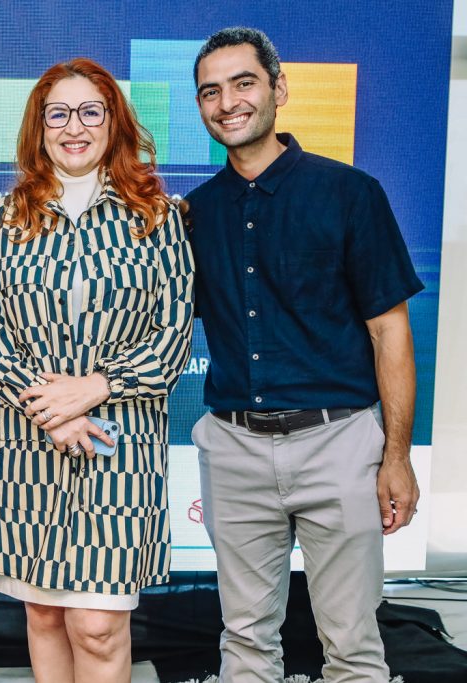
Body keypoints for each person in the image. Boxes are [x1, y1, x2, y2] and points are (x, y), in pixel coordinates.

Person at [186, 27, 423, 682]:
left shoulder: (350, 193)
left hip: (338, 445)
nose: (228, 102)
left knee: (352, 645)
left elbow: (391, 334)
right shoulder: (193, 214)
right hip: (233, 451)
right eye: (210, 91)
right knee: (245, 643)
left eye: (244, 83)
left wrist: (396, 456)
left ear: (279, 89)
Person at [0, 58, 194, 683]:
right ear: (38, 128)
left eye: (90, 112)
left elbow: (172, 338)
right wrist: (52, 411)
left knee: (97, 625)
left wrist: (94, 388)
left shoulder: (156, 217)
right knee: (43, 614)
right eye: (58, 114)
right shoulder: (6, 218)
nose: (74, 127)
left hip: (120, 444)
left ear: (113, 123)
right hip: (26, 444)